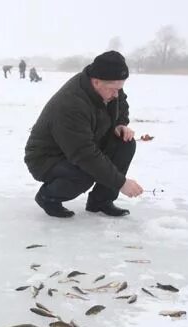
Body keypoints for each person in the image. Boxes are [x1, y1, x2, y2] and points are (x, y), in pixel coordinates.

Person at [24, 51, 143, 218]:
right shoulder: (71, 104)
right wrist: (121, 183)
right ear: (96, 82)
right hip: (47, 158)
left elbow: (121, 103)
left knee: (125, 143)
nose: (116, 94)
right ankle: (48, 197)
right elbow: (84, 154)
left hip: (85, 144)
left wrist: (120, 124)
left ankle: (100, 201)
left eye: (119, 89)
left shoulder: (108, 85)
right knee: (85, 174)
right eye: (113, 90)